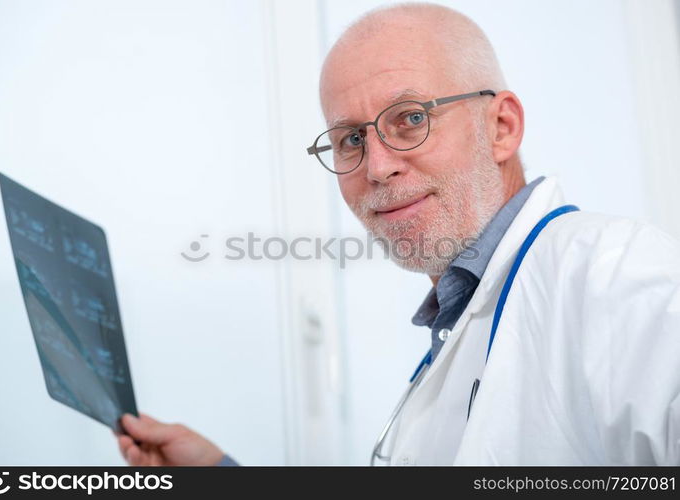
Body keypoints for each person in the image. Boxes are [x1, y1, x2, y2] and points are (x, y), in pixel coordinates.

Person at [116, 2, 680, 465]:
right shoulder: (457, 333)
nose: (377, 166)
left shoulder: (619, 275)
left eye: (411, 118)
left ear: (501, 127)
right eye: (350, 140)